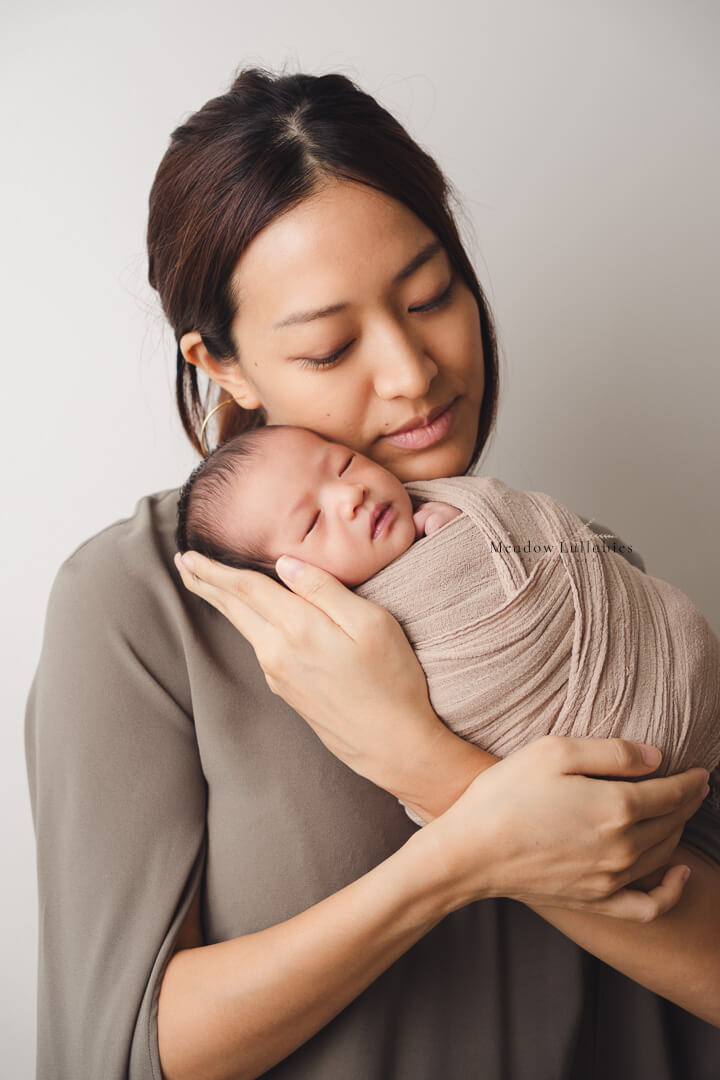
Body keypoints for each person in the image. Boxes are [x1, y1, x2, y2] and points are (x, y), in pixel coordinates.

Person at [25, 67, 720, 1080]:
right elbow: (124, 1050)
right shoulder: (136, 609)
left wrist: (430, 766)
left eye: (433, 296)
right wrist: (463, 854)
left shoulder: (566, 572)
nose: (413, 372)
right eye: (329, 346)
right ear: (224, 366)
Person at [174, 422, 720, 826]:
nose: (350, 494)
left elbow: (585, 547)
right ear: (287, 586)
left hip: (679, 662)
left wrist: (468, 529)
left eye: (342, 464)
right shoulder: (339, 643)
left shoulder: (448, 500)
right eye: (313, 522)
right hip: (626, 770)